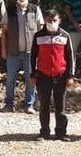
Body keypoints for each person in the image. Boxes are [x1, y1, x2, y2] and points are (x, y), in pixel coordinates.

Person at [30, 9, 75, 141]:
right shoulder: (38, 36)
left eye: (54, 20)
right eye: (49, 20)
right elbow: (33, 56)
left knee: (60, 106)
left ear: (59, 21)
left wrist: (70, 76)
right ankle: (44, 132)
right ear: (45, 20)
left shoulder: (65, 36)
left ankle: (61, 133)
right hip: (43, 75)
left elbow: (70, 57)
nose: (52, 23)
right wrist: (33, 73)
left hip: (60, 75)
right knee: (44, 106)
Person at [1, 0, 44, 113]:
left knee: (31, 80)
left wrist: (41, 51)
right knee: (10, 80)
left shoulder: (35, 10)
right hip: (13, 52)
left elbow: (41, 30)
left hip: (31, 53)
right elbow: (4, 32)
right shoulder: (9, 11)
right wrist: (3, 49)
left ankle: (29, 105)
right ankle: (9, 105)